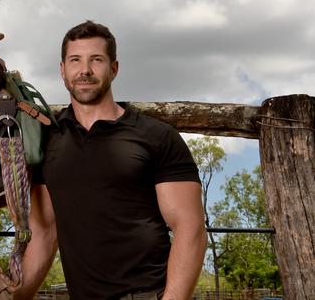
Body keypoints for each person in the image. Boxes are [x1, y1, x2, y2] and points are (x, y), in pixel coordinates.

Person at [15, 21, 207, 300]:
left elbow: (190, 227)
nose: (85, 71)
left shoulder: (156, 136)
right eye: (75, 60)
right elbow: (44, 232)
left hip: (148, 294)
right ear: (62, 70)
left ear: (114, 68)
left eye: (96, 60)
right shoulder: (48, 140)